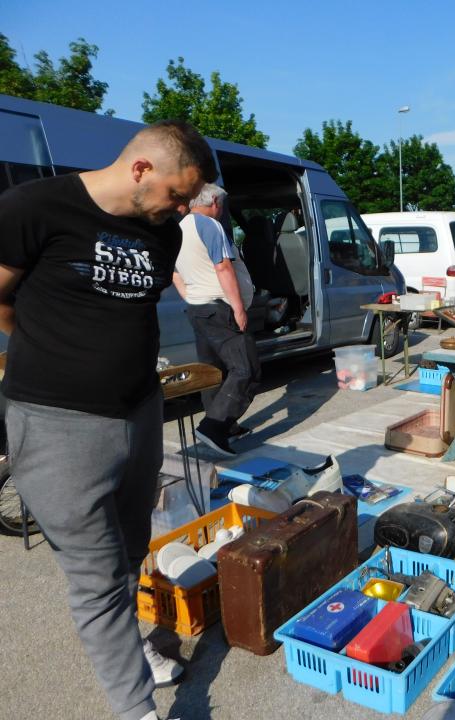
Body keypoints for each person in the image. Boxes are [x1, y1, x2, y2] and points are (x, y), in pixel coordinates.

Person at [0, 120, 217, 720]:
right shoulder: (33, 207)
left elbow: (131, 315)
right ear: (141, 168)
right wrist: (42, 346)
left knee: (130, 549)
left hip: (139, 412)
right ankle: (135, 709)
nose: (183, 208)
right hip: (57, 425)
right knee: (95, 577)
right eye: (178, 194)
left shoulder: (162, 232)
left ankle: (129, 645)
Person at [172, 183, 260, 456]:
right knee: (247, 369)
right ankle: (214, 428)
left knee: (214, 371)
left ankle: (225, 426)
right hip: (219, 308)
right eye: (221, 204)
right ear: (213, 201)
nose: (221, 210)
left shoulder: (180, 228)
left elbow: (174, 272)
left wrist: (191, 296)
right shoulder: (210, 225)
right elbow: (222, 267)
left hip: (198, 309)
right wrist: (238, 308)